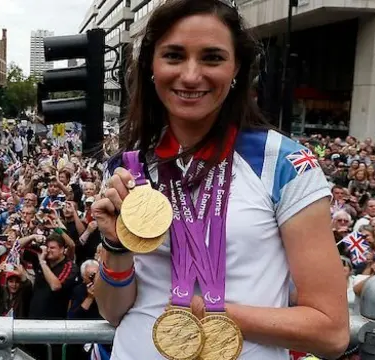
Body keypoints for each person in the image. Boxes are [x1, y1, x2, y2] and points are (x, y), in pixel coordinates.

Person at [91, 1, 349, 359]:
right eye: (174, 56)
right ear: (151, 65)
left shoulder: (284, 163)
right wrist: (116, 246)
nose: (192, 75)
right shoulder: (128, 167)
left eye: (212, 58)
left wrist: (201, 312)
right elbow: (113, 312)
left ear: (237, 69)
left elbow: (331, 331)